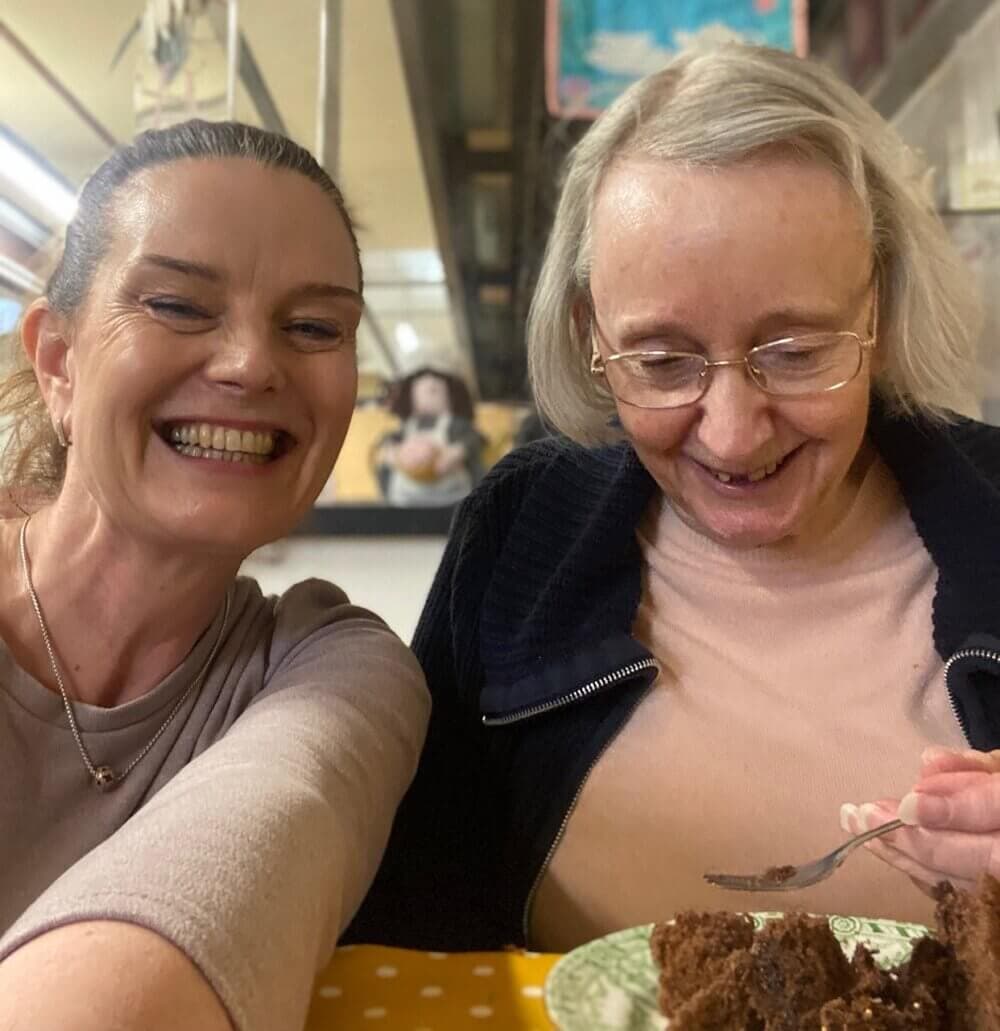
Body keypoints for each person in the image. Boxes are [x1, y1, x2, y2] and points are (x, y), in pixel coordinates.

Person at [345, 44, 1000, 954]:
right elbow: (412, 910)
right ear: (591, 334)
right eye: (661, 361)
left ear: (879, 313)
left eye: (796, 352)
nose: (731, 435)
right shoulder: (521, 528)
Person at [0, 120, 429, 1030]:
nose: (250, 365)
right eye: (178, 305)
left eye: (313, 327)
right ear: (58, 363)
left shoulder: (337, 671)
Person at [374, 366, 485, 507]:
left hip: (451, 494)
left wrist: (457, 452)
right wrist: (393, 452)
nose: (424, 397)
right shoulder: (408, 426)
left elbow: (474, 439)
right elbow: (389, 441)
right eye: (418, 392)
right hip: (407, 496)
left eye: (433, 391)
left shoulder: (455, 424)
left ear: (449, 395)